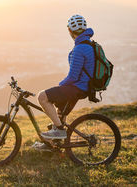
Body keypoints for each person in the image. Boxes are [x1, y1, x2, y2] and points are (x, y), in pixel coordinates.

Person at [37, 14, 95, 142]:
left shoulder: (80, 48)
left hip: (78, 87)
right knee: (60, 114)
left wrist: (61, 85)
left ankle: (59, 131)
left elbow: (73, 77)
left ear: (70, 31)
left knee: (42, 97)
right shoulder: (87, 44)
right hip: (83, 87)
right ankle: (54, 147)